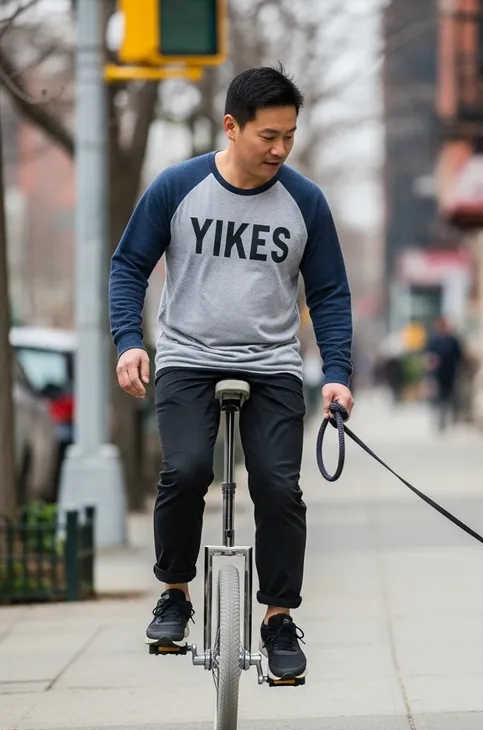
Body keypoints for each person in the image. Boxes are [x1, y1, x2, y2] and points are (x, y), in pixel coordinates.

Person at [108, 65, 355, 686]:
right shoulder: (178, 187)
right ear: (231, 127)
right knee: (186, 469)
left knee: (278, 487)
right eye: (268, 136)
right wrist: (130, 343)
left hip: (272, 365)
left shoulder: (305, 201)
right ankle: (174, 594)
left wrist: (336, 372)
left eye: (289, 136)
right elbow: (128, 266)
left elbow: (329, 292)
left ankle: (278, 619)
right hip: (188, 358)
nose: (280, 149)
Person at [425, 315, 463, 432]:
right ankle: (439, 421)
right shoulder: (434, 340)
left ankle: (447, 420)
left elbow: (459, 356)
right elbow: (428, 357)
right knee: (437, 399)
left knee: (448, 398)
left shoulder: (452, 340)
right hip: (436, 375)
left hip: (450, 373)